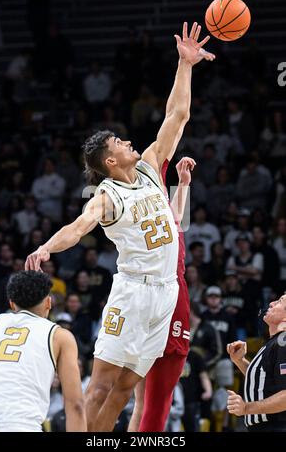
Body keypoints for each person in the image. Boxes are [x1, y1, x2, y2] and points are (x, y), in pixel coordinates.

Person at [25, 21, 215, 432]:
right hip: (132, 293)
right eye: (119, 144)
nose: (129, 143)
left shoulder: (149, 167)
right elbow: (77, 228)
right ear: (110, 162)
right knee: (101, 385)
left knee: (127, 388)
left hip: (165, 294)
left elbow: (177, 115)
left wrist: (186, 65)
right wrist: (46, 248)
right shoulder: (107, 196)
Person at [128, 156, 193, 432]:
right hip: (167, 293)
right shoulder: (142, 199)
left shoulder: (151, 205)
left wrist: (183, 183)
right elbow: (176, 119)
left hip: (141, 297)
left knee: (141, 402)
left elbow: (175, 221)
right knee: (157, 402)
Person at [0, 270, 86, 432]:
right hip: (22, 426)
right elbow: (75, 405)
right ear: (49, 303)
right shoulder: (59, 336)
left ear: (11, 303)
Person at [227, 293, 286, 431]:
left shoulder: (283, 342)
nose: (271, 303)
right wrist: (240, 361)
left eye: (280, 301)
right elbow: (264, 379)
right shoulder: (275, 342)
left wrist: (246, 408)